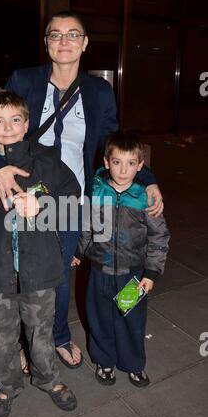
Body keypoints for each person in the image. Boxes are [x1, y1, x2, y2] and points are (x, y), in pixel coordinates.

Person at [0, 11, 164, 369]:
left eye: (72, 35)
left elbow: (114, 144)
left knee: (57, 274)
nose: (64, 42)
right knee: (17, 271)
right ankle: (19, 342)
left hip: (69, 200)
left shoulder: (98, 91)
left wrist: (146, 177)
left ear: (85, 43)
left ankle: (56, 335)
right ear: (46, 43)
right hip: (23, 193)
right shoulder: (23, 79)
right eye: (55, 35)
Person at [0, 90, 81, 417]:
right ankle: (6, 387)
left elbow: (73, 201)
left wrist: (43, 206)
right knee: (2, 338)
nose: (8, 127)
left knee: (41, 332)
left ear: (27, 123)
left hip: (40, 272)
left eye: (15, 120)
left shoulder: (46, 161)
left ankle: (48, 379)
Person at [72, 132, 170, 387]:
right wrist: (77, 251)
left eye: (130, 164)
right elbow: (87, 226)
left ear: (140, 166)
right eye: (117, 162)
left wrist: (151, 273)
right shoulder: (96, 190)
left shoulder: (146, 198)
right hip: (99, 271)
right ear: (106, 162)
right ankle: (104, 361)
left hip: (132, 275)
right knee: (100, 319)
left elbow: (159, 237)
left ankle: (133, 364)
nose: (123, 170)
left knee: (131, 321)